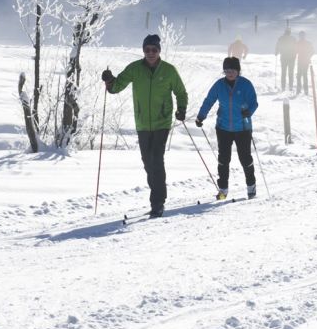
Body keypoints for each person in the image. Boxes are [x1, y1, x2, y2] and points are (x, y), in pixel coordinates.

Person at [102, 33, 188, 218]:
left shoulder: (169, 70)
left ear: (159, 51)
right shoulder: (134, 69)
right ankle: (158, 196)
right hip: (142, 123)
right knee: (148, 162)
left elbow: (181, 92)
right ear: (143, 50)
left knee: (156, 158)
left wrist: (181, 109)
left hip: (162, 121)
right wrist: (109, 80)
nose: (151, 53)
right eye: (147, 49)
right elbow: (116, 87)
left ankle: (157, 202)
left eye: (154, 50)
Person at [195, 56, 260, 200]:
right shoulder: (219, 85)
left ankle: (251, 187)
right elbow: (209, 100)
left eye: (232, 70)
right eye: (226, 70)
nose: (229, 73)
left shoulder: (246, 84)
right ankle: (223, 191)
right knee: (223, 160)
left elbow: (254, 102)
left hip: (242, 127)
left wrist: (248, 112)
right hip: (223, 128)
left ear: (238, 70)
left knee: (245, 158)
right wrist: (201, 116)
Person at [274, 26, 298, 92]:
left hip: (284, 57)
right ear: (290, 32)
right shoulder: (293, 38)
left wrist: (276, 52)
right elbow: (296, 47)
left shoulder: (281, 38)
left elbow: (277, 45)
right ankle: (290, 87)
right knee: (290, 73)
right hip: (291, 58)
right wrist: (295, 54)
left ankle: (283, 87)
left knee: (283, 73)